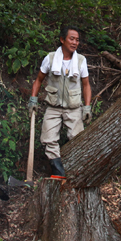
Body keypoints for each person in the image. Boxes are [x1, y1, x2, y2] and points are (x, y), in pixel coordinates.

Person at [28, 26, 92, 178]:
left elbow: (86, 85)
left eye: (77, 40)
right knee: (48, 139)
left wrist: (87, 107)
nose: (75, 42)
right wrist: (33, 99)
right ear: (62, 40)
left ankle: (76, 172)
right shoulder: (50, 59)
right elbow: (38, 80)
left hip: (74, 107)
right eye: (71, 39)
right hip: (53, 107)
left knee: (78, 139)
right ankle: (59, 172)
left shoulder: (81, 61)